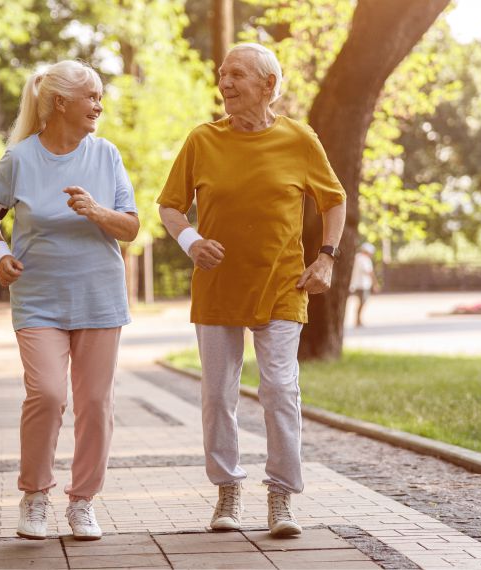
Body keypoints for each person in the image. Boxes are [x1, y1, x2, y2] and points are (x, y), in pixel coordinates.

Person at [156, 43, 347, 537]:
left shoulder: (299, 139)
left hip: (282, 282)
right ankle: (227, 489)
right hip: (217, 285)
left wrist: (326, 257)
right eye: (222, 74)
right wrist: (192, 241)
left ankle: (282, 495)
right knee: (218, 394)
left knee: (280, 388)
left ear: (268, 84)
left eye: (236, 74)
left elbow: (334, 200)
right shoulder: (202, 140)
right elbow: (170, 206)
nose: (225, 83)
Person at [0, 60, 139, 542]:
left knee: (94, 403)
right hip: (39, 298)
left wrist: (97, 211)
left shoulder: (106, 155)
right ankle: (35, 495)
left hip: (99, 297)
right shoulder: (18, 159)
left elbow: (130, 227)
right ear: (61, 102)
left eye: (99, 97)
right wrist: (0, 254)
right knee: (46, 394)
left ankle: (83, 501)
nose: (99, 106)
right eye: (92, 97)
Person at [349, 243, 380, 327]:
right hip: (363, 284)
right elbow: (370, 272)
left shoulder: (356, 257)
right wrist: (375, 284)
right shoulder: (365, 259)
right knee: (362, 302)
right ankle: (358, 320)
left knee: (361, 302)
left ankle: (358, 319)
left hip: (356, 284)